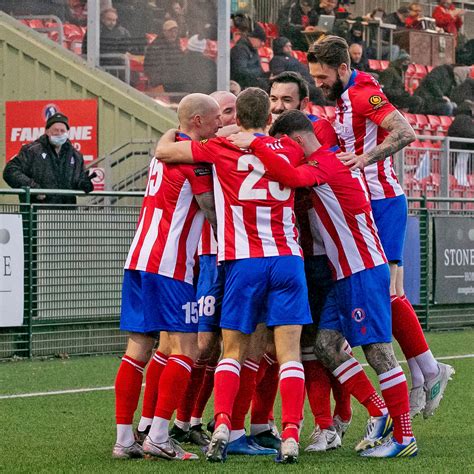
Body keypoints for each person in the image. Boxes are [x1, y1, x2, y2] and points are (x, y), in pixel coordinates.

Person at [228, 109, 416, 458]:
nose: (284, 151)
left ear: (296, 141)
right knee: (327, 347)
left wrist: (255, 142)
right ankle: (379, 411)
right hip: (342, 273)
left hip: (362, 268)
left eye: (285, 145)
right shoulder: (328, 161)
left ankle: (404, 438)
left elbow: (288, 175)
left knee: (379, 353)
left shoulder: (325, 164)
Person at [155, 88, 314, 464]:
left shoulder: (218, 148)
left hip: (243, 262)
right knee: (289, 354)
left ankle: (223, 424)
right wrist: (263, 141)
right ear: (269, 118)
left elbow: (165, 152)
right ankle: (290, 433)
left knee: (233, 351)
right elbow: (305, 159)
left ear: (235, 117)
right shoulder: (287, 150)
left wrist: (183, 130)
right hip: (288, 259)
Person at [307, 35, 454, 422]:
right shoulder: (340, 100)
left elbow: (404, 131)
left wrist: (365, 157)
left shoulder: (360, 92)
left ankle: (429, 370)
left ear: (342, 69)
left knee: (389, 292)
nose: (318, 83)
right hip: (362, 204)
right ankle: (425, 373)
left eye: (323, 76)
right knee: (387, 294)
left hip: (383, 201)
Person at [112, 93, 221, 461]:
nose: (220, 123)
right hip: (171, 265)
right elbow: (210, 212)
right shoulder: (194, 158)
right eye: (216, 118)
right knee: (187, 349)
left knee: (138, 348)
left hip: (139, 258)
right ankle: (159, 435)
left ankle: (124, 439)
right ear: (197, 121)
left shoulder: (166, 150)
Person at [269, 71, 353, 451]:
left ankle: (334, 420)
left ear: (302, 106)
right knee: (292, 346)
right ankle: (255, 425)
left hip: (317, 256)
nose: (277, 106)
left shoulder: (318, 135)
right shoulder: (263, 138)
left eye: (286, 101)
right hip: (278, 256)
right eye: (273, 99)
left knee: (319, 344)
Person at [3, 113, 95, 205]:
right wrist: (33, 188)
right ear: (47, 131)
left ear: (67, 132)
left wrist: (84, 184)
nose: (59, 133)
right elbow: (10, 171)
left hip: (67, 214)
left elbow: (78, 180)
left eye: (62, 131)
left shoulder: (76, 156)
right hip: (36, 212)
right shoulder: (32, 151)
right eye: (55, 130)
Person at [270, 37, 325, 105]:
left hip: (310, 81)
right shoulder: (277, 60)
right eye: (286, 46)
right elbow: (280, 75)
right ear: (280, 47)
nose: (290, 49)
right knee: (319, 91)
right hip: (299, 84)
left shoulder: (292, 58)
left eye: (290, 46)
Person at [144, 20, 187, 92]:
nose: (173, 34)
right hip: (161, 84)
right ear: (164, 32)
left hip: (174, 82)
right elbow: (152, 69)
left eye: (175, 32)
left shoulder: (177, 47)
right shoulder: (156, 47)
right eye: (171, 31)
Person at [230, 23, 269, 90]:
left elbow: (259, 68)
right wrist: (258, 73)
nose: (262, 43)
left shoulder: (253, 49)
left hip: (252, 82)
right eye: (261, 40)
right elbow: (240, 72)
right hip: (242, 85)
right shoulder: (239, 49)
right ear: (252, 38)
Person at [448, 100, 474, 186]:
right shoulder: (464, 119)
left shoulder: (461, 118)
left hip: (460, 151)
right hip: (459, 151)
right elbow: (469, 133)